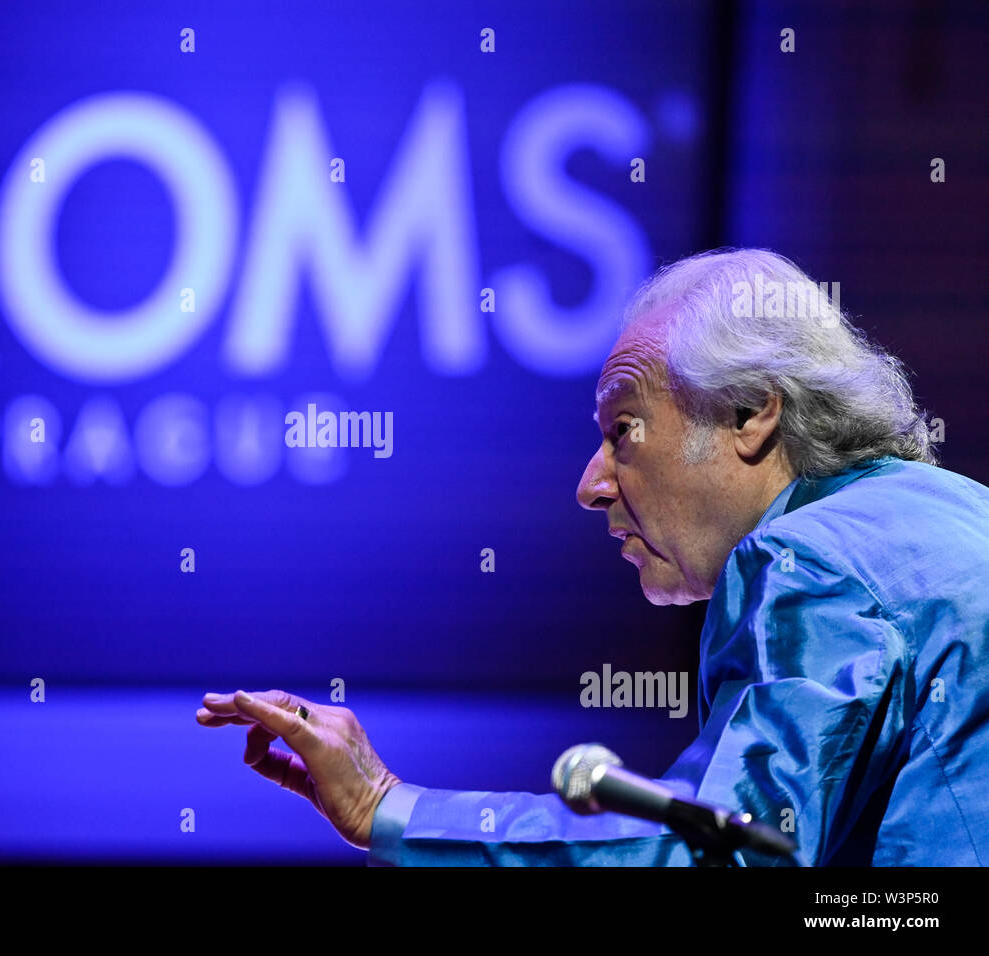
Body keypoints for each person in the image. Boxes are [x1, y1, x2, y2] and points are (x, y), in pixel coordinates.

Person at [196, 248, 989, 866]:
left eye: (624, 431)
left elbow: (716, 852)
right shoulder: (951, 510)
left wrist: (386, 807)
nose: (590, 486)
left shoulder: (804, 561)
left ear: (750, 413)